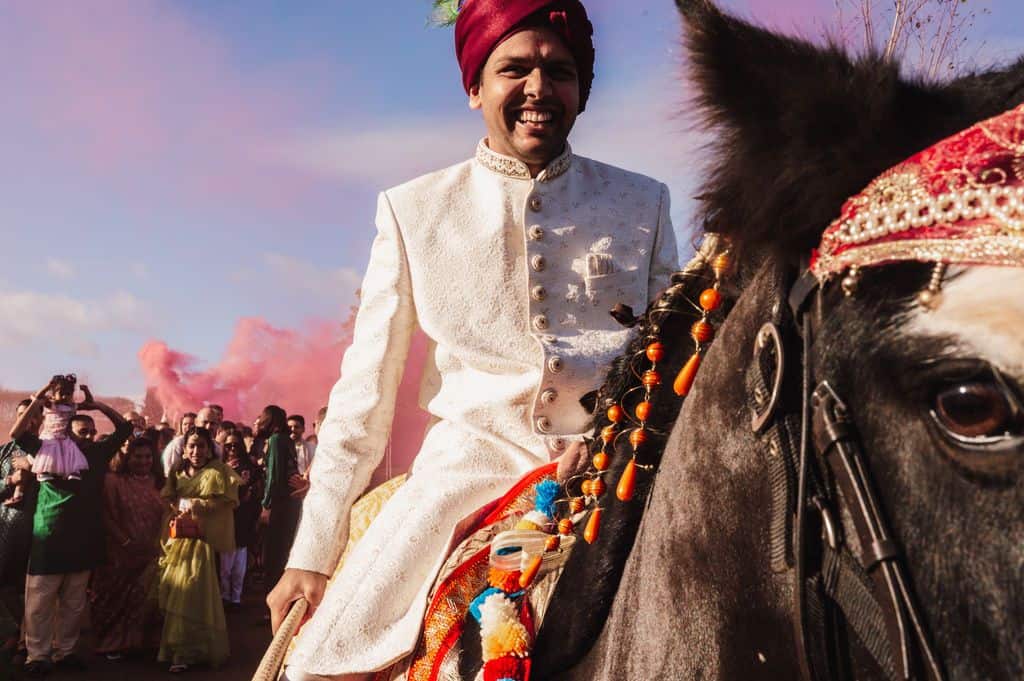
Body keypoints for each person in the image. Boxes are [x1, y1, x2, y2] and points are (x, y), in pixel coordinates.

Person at [268, 1, 679, 679]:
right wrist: (311, 553)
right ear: (474, 88)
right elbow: (362, 396)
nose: (539, 88)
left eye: (560, 71)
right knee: (321, 663)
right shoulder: (413, 210)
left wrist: (620, 432)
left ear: (581, 91)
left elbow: (674, 353)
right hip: (463, 477)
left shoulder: (644, 202)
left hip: (617, 467)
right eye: (514, 68)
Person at [11, 382, 131, 676]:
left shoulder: (97, 454)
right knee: (40, 600)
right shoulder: (44, 450)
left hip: (83, 538)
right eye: (83, 432)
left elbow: (125, 430)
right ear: (65, 430)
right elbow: (16, 434)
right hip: (47, 535)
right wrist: (39, 399)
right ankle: (37, 655)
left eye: (91, 431)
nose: (89, 436)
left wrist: (97, 406)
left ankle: (65, 651)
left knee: (74, 602)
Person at [158, 427, 239, 673]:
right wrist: (177, 507)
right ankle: (176, 648)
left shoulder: (218, 472)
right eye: (191, 445)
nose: (196, 451)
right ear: (184, 448)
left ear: (209, 448)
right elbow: (168, 496)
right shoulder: (176, 471)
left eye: (201, 446)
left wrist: (194, 504)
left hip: (202, 543)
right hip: (177, 541)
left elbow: (228, 500)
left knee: (192, 592)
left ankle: (186, 651)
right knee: (174, 589)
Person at [88, 437, 165, 660]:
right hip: (120, 550)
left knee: (147, 597)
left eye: (148, 457)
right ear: (127, 457)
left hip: (152, 550)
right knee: (115, 597)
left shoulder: (161, 482)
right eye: (137, 456)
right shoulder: (113, 481)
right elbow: (105, 515)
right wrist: (124, 542)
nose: (143, 461)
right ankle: (112, 644)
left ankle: (143, 642)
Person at [8, 375, 91, 507]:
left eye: (68, 394)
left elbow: (89, 404)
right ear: (54, 394)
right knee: (44, 457)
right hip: (50, 436)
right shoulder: (50, 404)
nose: (64, 397)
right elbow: (37, 397)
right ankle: (28, 485)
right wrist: (48, 385)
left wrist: (85, 391)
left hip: (64, 438)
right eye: (61, 394)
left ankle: (73, 473)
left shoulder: (73, 406)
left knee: (71, 454)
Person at [0, 399, 41, 664]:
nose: (29, 422)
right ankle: (13, 632)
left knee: (31, 589)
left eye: (34, 416)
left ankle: (27, 642)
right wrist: (9, 480)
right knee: (4, 584)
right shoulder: (3, 452)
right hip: (6, 526)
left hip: (39, 529)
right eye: (24, 417)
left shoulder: (51, 451)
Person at [256, 405, 302, 599]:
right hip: (290, 503)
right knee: (283, 552)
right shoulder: (287, 441)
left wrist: (266, 506)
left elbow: (274, 476)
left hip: (279, 505)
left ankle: (272, 601)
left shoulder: (275, 440)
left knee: (272, 555)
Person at [219, 432, 263, 609]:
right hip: (224, 519)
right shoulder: (219, 467)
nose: (231, 449)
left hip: (243, 519)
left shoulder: (248, 468)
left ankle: (235, 597)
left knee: (239, 562)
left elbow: (257, 492)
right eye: (228, 446)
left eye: (235, 445)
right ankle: (224, 596)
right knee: (224, 565)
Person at [161, 406, 223, 475]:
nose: (208, 427)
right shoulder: (178, 444)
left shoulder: (217, 448)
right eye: (205, 422)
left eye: (212, 423)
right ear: (196, 422)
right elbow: (170, 474)